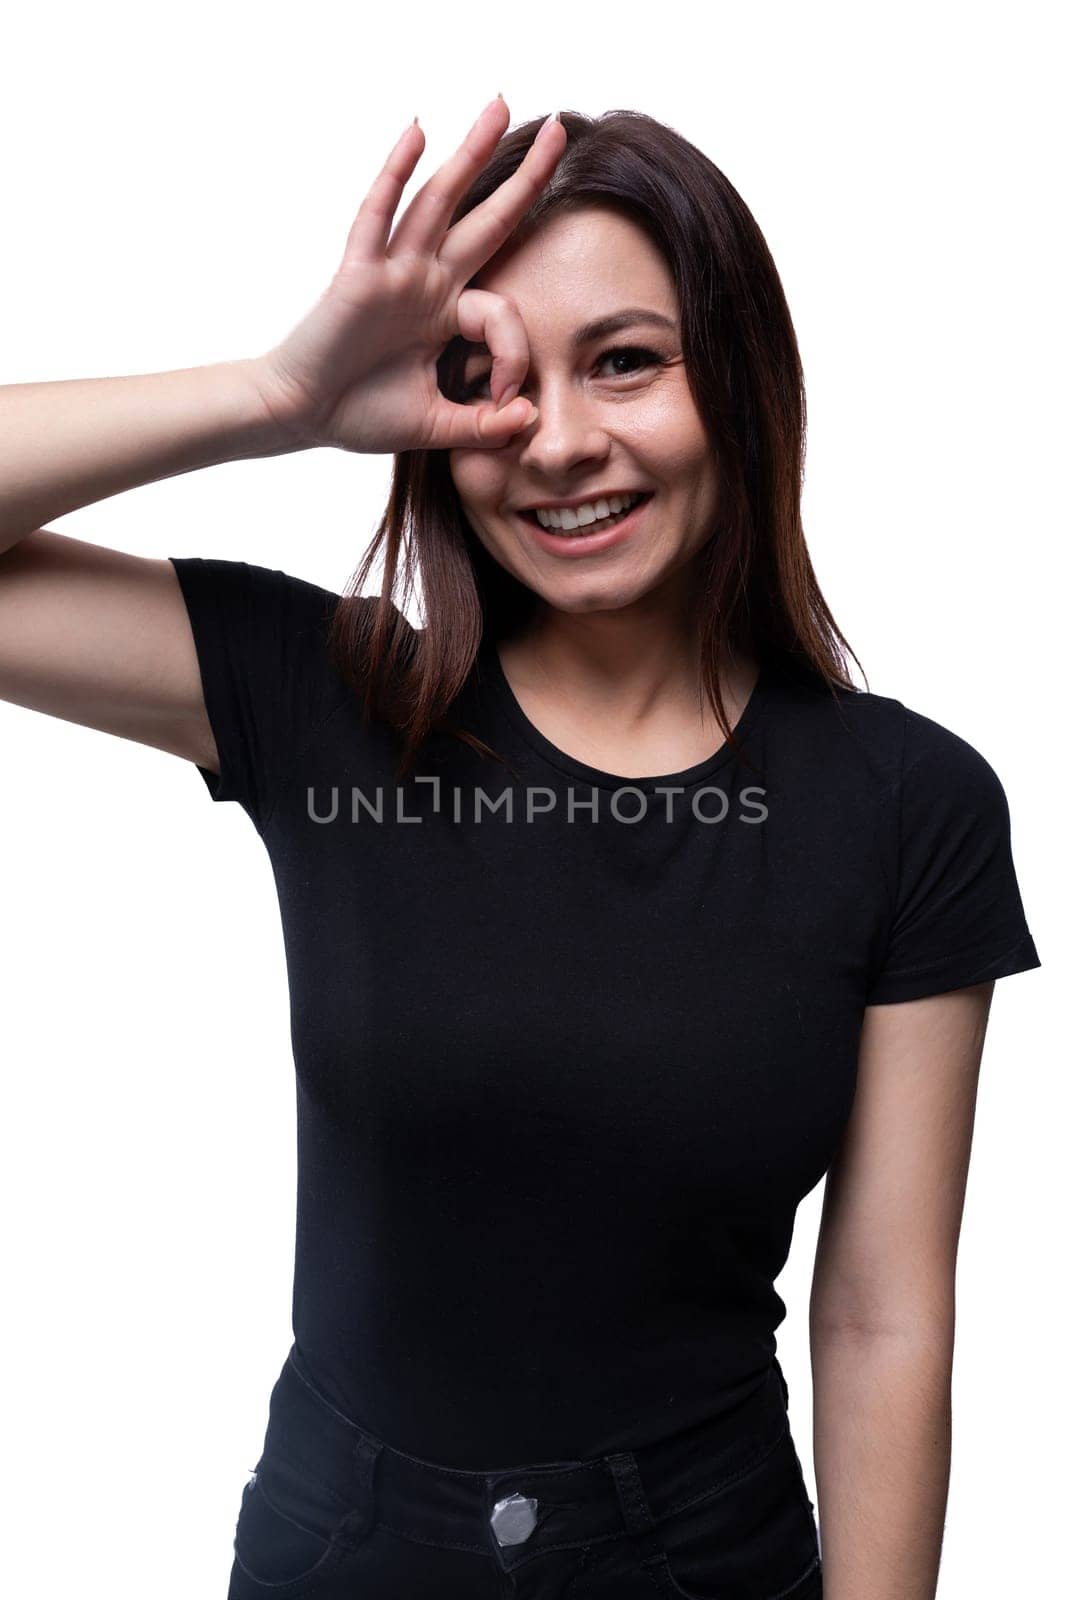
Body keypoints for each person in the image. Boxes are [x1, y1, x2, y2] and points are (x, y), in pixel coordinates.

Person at [0, 95, 1040, 1600]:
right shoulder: (333, 701)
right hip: (343, 1544)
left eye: (626, 361)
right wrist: (285, 392)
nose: (558, 443)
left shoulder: (909, 804)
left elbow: (882, 1313)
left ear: (737, 383)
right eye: (487, 379)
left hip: (702, 1552)